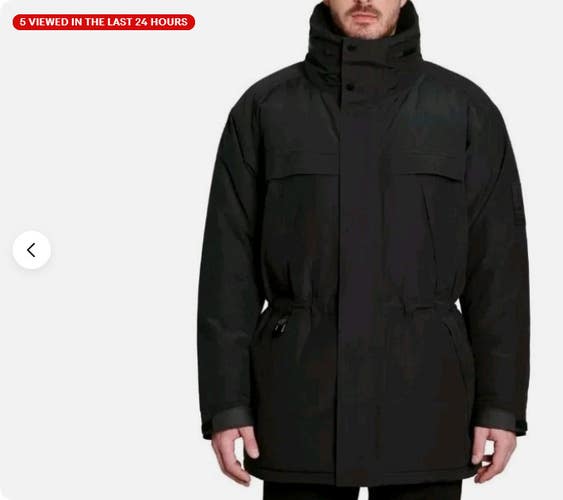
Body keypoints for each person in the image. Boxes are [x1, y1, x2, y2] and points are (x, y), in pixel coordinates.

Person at [196, 1, 530, 498]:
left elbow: (499, 272)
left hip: (426, 407)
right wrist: (227, 405)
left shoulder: (463, 110)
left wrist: (500, 405)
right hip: (297, 408)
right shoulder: (267, 108)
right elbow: (228, 270)